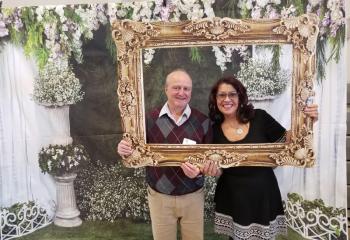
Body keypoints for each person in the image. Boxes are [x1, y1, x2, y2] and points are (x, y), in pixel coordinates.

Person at [202, 76, 318, 240]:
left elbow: (290, 141)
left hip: (263, 194)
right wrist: (212, 170)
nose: (227, 99)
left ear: (240, 97)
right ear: (215, 99)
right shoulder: (212, 130)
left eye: (232, 94)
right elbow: (219, 167)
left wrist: (307, 121)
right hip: (233, 196)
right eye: (221, 95)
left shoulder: (260, 118)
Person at [117, 69, 212, 240]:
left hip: (193, 196)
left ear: (191, 92)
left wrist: (200, 170)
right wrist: (125, 149)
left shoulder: (203, 121)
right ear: (166, 90)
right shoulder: (147, 120)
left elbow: (212, 159)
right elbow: (134, 149)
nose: (182, 93)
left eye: (186, 88)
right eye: (176, 88)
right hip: (159, 196)